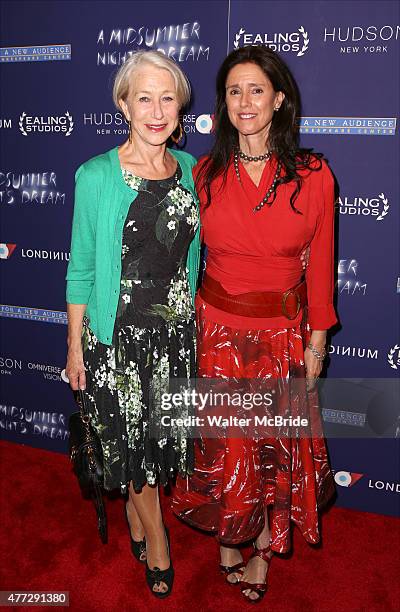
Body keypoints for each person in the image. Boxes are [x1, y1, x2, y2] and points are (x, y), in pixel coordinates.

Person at [172, 45, 338, 603]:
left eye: (257, 90)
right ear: (222, 103)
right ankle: (228, 537)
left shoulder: (314, 175)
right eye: (234, 91)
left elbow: (321, 267)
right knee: (226, 448)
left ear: (280, 99)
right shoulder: (203, 173)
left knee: (270, 452)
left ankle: (263, 549)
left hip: (282, 338)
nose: (245, 101)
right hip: (215, 333)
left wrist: (316, 346)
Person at [65, 50, 200, 599]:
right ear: (123, 103)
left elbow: (191, 260)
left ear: (180, 106)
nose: (157, 109)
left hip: (172, 338)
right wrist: (75, 346)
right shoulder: (96, 175)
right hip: (115, 341)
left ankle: (137, 518)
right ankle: (159, 540)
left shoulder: (191, 169)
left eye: (168, 97)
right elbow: (81, 269)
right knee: (131, 447)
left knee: (157, 443)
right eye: (144, 96)